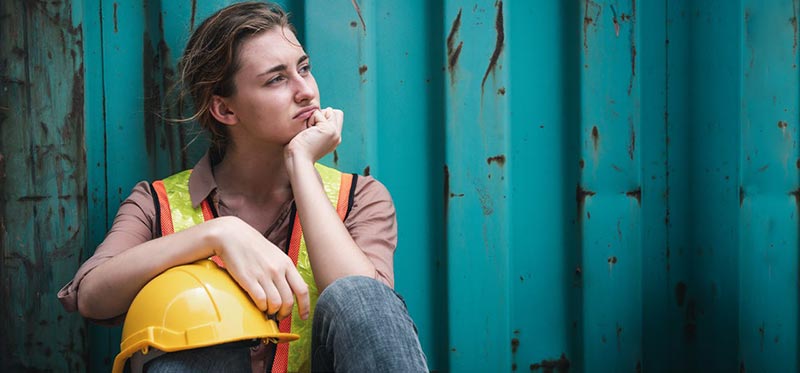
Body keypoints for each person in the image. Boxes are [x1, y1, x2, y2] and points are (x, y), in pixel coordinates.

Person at [58, 2, 428, 372]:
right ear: (225, 110)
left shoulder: (360, 196)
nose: (305, 92)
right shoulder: (156, 203)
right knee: (194, 318)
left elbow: (367, 315)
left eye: (304, 69)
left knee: (361, 296)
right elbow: (92, 297)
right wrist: (216, 234)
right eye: (276, 79)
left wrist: (301, 164)